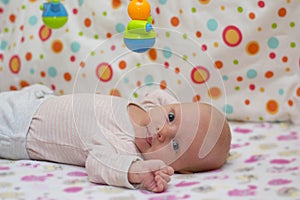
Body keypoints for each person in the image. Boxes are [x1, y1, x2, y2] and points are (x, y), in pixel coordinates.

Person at [0, 84, 231, 193]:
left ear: (178, 169)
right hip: (39, 98)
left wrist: (139, 172)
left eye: (176, 145)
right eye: (171, 117)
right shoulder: (147, 108)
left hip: (17, 127)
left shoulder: (124, 151)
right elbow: (159, 95)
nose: (163, 132)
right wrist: (177, 111)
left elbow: (99, 165)